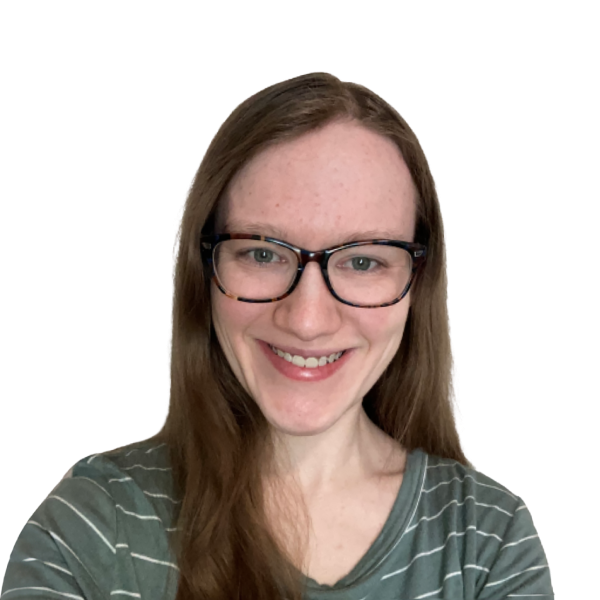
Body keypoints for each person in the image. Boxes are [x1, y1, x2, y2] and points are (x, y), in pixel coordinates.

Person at [1, 72, 555, 600]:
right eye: (262, 253)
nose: (308, 319)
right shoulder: (92, 527)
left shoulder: (487, 542)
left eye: (363, 262)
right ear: (205, 270)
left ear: (417, 285)